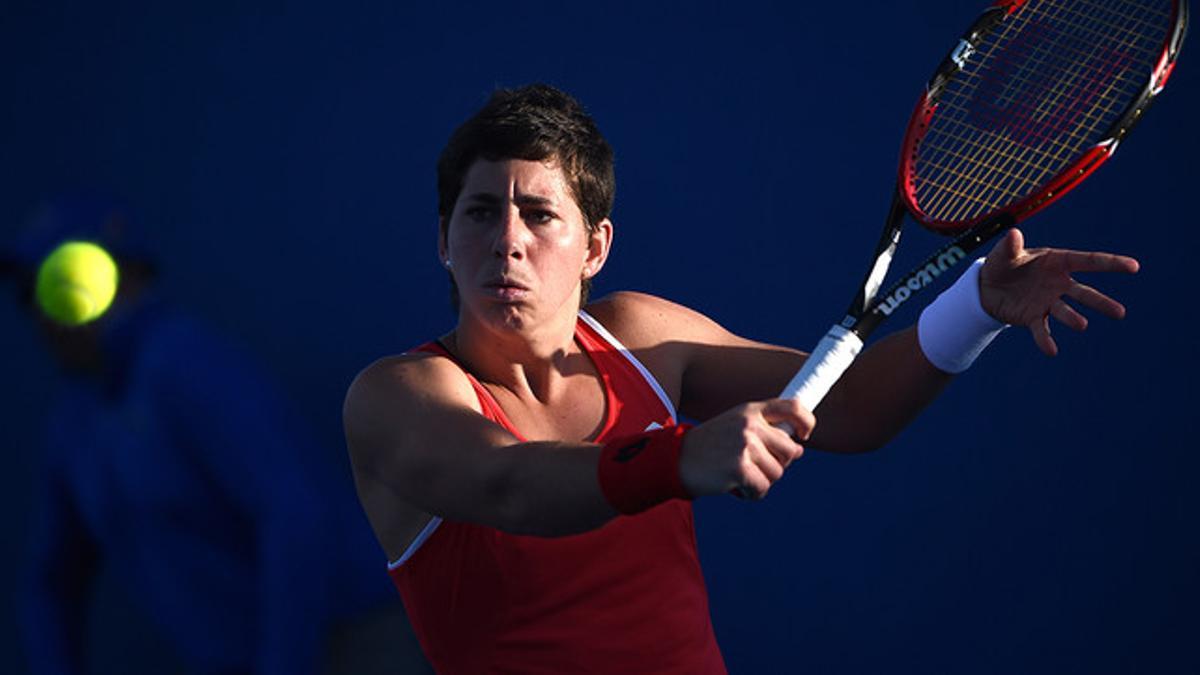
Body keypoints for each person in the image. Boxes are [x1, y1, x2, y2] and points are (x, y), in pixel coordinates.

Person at [342, 84, 1138, 674]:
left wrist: (977, 308)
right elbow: (509, 484)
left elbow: (850, 408)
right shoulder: (399, 395)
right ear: (444, 240)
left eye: (540, 213)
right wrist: (678, 458)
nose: (508, 240)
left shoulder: (644, 339)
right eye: (480, 212)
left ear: (596, 247)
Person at [3, 196, 416, 675]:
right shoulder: (73, 424)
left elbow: (294, 513)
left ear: (130, 274)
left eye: (67, 270)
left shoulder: (184, 362)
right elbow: (49, 583)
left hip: (355, 640)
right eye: (33, 290)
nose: (44, 311)